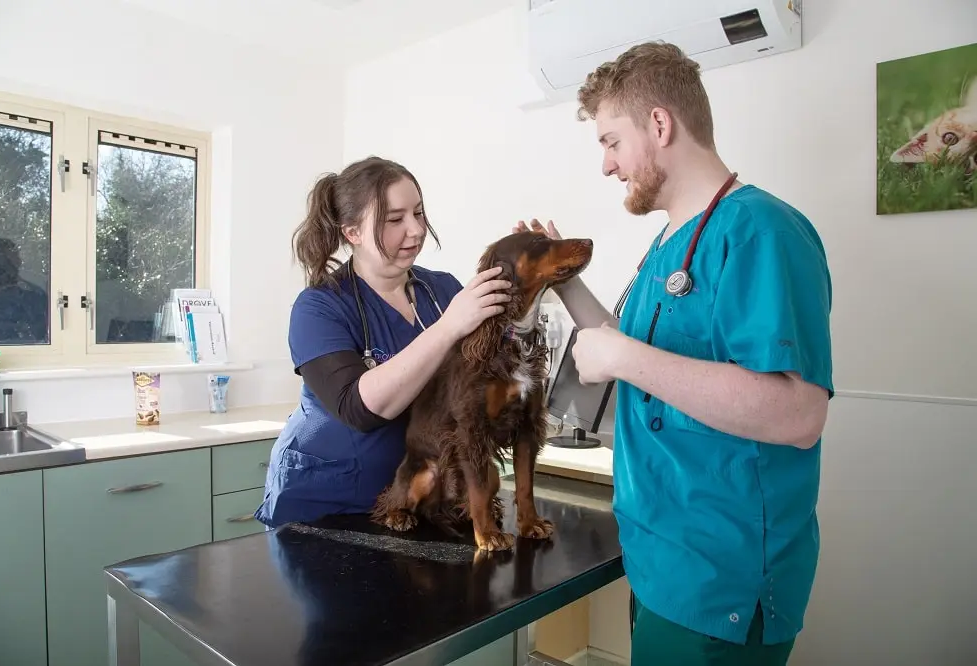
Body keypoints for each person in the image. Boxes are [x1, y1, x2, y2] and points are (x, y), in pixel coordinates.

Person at [515, 43, 833, 665]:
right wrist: (565, 280)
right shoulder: (668, 243)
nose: (606, 166)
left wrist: (623, 359)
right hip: (664, 559)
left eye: (610, 142)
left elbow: (798, 414)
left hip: (722, 578)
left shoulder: (761, 232)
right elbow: (627, 347)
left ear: (659, 125)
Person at [255, 156, 511, 528]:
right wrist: (448, 328)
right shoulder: (319, 307)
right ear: (352, 232)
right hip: (327, 507)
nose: (416, 230)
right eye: (395, 220)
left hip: (417, 504)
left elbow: (498, 362)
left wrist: (536, 277)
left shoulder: (443, 291)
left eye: (419, 213)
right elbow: (358, 408)